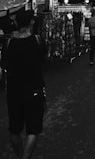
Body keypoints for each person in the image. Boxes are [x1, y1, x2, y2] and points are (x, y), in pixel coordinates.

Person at [1, 9, 47, 159]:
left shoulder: (9, 43)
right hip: (34, 90)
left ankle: (21, 156)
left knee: (14, 129)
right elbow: (43, 60)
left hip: (14, 92)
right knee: (33, 130)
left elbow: (5, 64)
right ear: (31, 22)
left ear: (16, 23)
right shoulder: (37, 40)